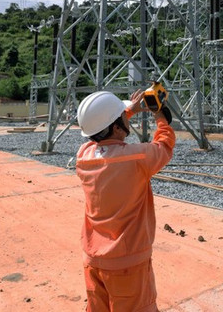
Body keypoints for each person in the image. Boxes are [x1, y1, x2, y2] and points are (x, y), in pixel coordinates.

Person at [75, 89, 175, 312]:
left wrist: (128, 110)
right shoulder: (137, 157)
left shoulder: (83, 156)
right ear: (116, 126)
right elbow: (165, 144)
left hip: (92, 260)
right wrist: (159, 115)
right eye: (120, 116)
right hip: (127, 264)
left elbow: (103, 128)